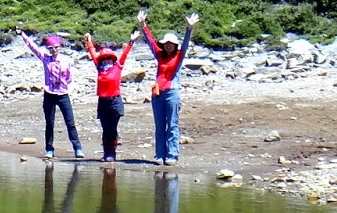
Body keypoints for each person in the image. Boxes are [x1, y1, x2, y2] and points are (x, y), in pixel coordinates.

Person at [135, 10, 199, 165]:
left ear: (175, 45)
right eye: (166, 43)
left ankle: (172, 155)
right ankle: (160, 155)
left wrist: (189, 28)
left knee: (172, 124)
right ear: (164, 45)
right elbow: (150, 42)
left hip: (172, 93)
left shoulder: (179, 55)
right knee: (159, 126)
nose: (169, 46)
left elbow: (185, 44)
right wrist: (143, 25)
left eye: (171, 44)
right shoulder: (159, 54)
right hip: (158, 94)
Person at [15, 26, 84, 160]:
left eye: (56, 47)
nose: (53, 50)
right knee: (50, 123)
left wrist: (64, 86)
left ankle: (78, 148)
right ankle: (49, 149)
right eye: (51, 48)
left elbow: (69, 77)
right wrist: (22, 34)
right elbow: (33, 47)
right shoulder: (46, 59)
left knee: (70, 122)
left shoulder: (66, 61)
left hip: (63, 94)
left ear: (60, 47)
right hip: (49, 94)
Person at [84, 30, 135, 161]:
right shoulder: (99, 68)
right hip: (103, 101)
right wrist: (89, 42)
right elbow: (93, 54)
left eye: (108, 58)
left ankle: (112, 153)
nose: (106, 60)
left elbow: (124, 54)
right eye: (104, 59)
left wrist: (131, 42)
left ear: (112, 59)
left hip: (115, 101)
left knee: (112, 128)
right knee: (105, 128)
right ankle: (106, 153)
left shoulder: (117, 66)